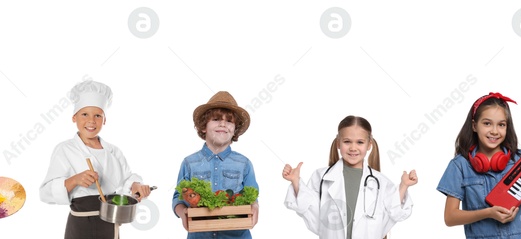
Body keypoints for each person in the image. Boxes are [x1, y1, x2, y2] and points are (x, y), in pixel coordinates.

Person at [436, 92, 521, 239]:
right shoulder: (460, 166)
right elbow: (450, 217)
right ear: (474, 125)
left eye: (501, 124)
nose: (494, 131)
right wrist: (488, 213)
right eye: (487, 123)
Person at [39, 80, 154, 239]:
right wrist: (74, 180)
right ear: (74, 117)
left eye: (98, 115)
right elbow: (45, 193)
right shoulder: (65, 150)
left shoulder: (113, 151)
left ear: (104, 119)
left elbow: (127, 180)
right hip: (80, 226)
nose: (91, 121)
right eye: (84, 114)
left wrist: (136, 185)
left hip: (109, 222)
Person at [281, 115, 416, 239]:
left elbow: (393, 214)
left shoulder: (381, 182)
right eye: (347, 141)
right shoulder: (321, 177)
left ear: (369, 145)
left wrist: (404, 186)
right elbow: (314, 217)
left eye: (359, 142)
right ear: (338, 143)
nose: (353, 148)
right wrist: (296, 181)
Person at [172, 91, 261, 239]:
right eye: (216, 119)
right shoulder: (189, 163)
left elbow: (252, 195)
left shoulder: (244, 163)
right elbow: (178, 198)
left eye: (229, 121)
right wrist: (183, 213)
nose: (223, 124)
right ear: (203, 127)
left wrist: (255, 207)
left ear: (234, 131)